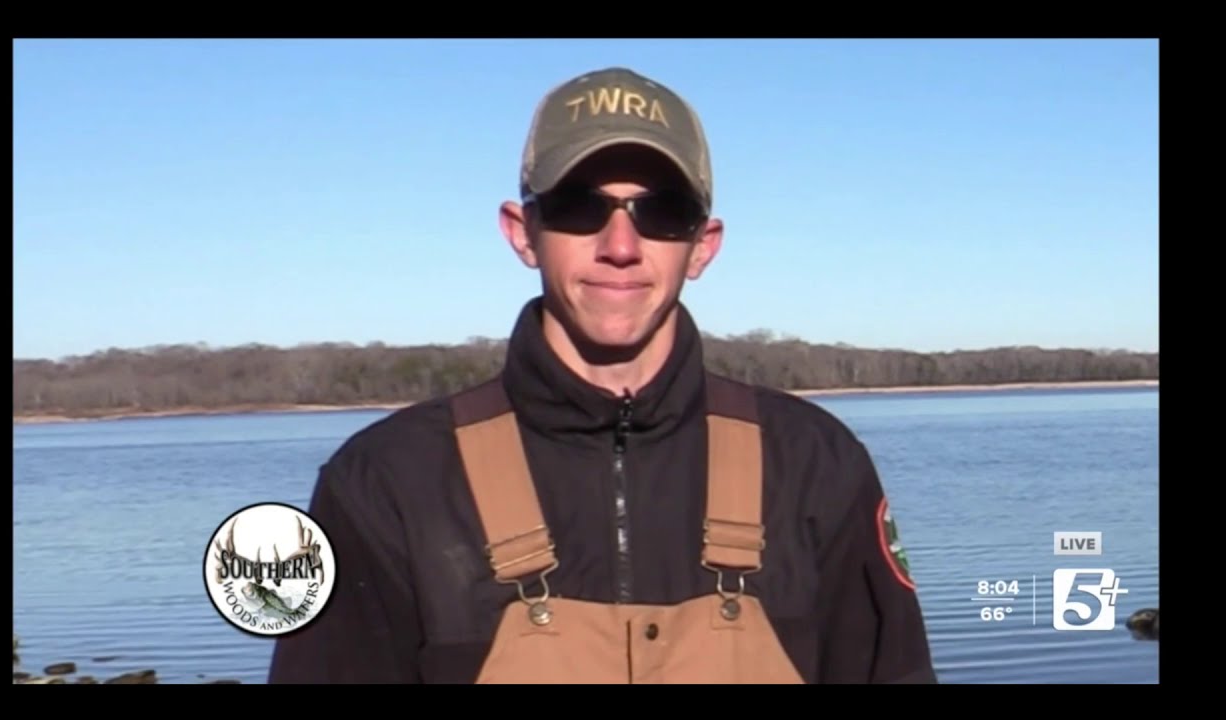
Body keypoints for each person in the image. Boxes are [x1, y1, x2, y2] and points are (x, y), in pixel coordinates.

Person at [266, 66, 937, 684]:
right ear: (522, 232)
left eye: (661, 212)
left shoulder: (816, 464)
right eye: (579, 207)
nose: (620, 247)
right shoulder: (386, 482)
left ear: (702, 246)